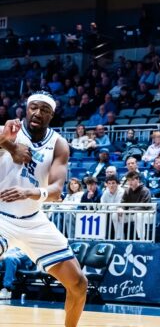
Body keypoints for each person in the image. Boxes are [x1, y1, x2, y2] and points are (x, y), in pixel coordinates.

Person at [0, 91, 87, 327]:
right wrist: (9, 146)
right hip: (2, 216)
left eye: (44, 110)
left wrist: (30, 192)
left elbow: (57, 190)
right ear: (26, 109)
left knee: (79, 284)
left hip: (34, 219)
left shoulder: (59, 143)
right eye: (34, 108)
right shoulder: (9, 130)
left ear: (52, 115)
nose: (38, 113)